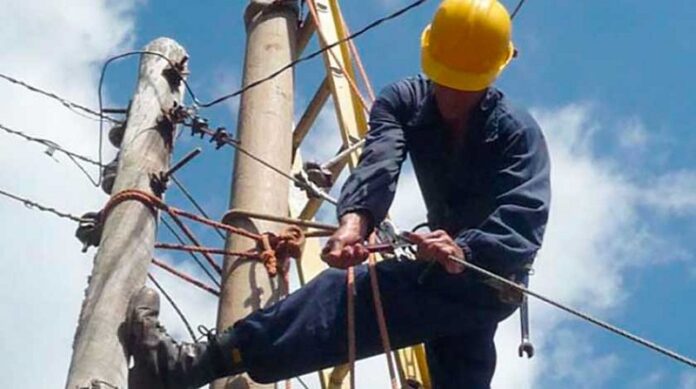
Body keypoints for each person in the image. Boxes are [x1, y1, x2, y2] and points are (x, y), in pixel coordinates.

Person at [126, 0, 551, 388]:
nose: (453, 96)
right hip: (443, 273)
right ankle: (188, 365)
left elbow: (523, 222)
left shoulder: (517, 135)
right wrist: (355, 224)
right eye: (446, 81)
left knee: (349, 297)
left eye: (466, 85)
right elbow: (380, 163)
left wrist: (463, 250)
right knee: (456, 371)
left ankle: (189, 364)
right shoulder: (404, 102)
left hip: (487, 278)